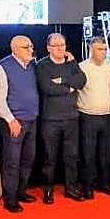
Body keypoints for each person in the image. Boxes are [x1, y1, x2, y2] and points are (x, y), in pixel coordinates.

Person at [34, 32, 87, 204]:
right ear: (48, 48)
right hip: (50, 120)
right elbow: (47, 88)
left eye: (62, 45)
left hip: (72, 118)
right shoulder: (42, 65)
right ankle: (48, 190)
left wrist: (61, 80)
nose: (60, 49)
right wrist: (69, 87)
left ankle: (71, 188)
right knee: (49, 157)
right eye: (56, 46)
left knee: (72, 156)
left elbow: (82, 80)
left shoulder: (71, 62)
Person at [0, 35, 40, 213]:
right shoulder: (3, 67)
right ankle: (10, 198)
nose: (31, 50)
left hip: (32, 120)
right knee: (12, 161)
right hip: (14, 122)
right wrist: (11, 120)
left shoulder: (33, 66)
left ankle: (21, 191)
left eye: (31, 46)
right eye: (26, 47)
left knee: (28, 159)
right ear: (15, 50)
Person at [77, 37, 110, 200]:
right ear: (91, 50)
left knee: (106, 153)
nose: (103, 52)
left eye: (105, 49)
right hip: (88, 116)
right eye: (100, 49)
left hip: (107, 116)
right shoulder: (82, 67)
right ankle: (88, 186)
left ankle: (105, 183)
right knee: (88, 154)